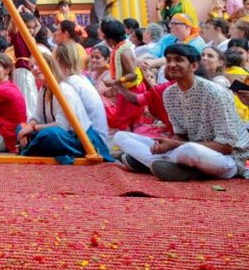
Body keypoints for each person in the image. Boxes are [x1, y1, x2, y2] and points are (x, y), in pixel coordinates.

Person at [113, 43, 249, 180]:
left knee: (189, 151)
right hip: (186, 148)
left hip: (228, 159)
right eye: (169, 60)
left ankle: (153, 163)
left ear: (194, 66)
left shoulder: (215, 93)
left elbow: (226, 147)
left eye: (178, 60)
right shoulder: (169, 94)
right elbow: (181, 135)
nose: (172, 64)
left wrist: (174, 144)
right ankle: (167, 165)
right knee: (121, 137)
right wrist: (164, 144)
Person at [16, 51, 113, 162]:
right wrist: (29, 126)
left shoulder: (63, 89)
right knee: (21, 127)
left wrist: (32, 128)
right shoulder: (44, 89)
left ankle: (29, 147)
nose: (34, 69)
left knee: (50, 134)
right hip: (58, 133)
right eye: (32, 66)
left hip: (77, 138)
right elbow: (37, 117)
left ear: (50, 66)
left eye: (38, 64)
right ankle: (32, 145)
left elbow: (62, 126)